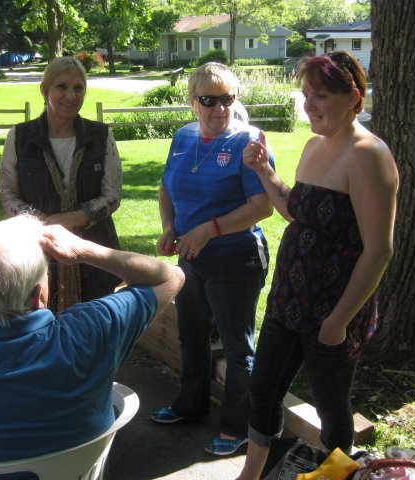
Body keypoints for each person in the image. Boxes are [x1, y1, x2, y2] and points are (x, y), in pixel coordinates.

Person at [0, 214, 184, 480]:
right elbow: (172, 276)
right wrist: (85, 250)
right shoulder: (93, 331)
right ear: (37, 295)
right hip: (76, 473)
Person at [236, 51, 399, 480]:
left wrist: (339, 320)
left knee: (331, 408)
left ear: (354, 98)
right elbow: (297, 210)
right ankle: (250, 474)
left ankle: (334, 476)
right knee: (263, 390)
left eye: (321, 96)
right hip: (288, 298)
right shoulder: (314, 146)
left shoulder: (369, 155)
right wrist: (263, 171)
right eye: (306, 94)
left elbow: (379, 250)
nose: (309, 105)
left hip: (333, 310)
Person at [150, 62, 274, 456]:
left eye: (227, 98)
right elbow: (166, 188)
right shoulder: (183, 136)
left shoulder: (249, 141)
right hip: (191, 256)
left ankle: (238, 427)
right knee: (190, 333)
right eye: (208, 99)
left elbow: (263, 206)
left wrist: (208, 230)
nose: (219, 108)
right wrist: (170, 226)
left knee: (237, 348)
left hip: (235, 259)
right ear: (192, 101)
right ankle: (191, 404)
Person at [0, 56, 122, 312]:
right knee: (42, 318)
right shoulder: (20, 137)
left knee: (96, 322)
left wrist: (71, 219)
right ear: (45, 90)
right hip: (38, 250)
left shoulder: (101, 136)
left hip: (94, 252)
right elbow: (9, 195)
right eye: (62, 87)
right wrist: (45, 224)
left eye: (78, 88)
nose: (71, 96)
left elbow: (112, 196)